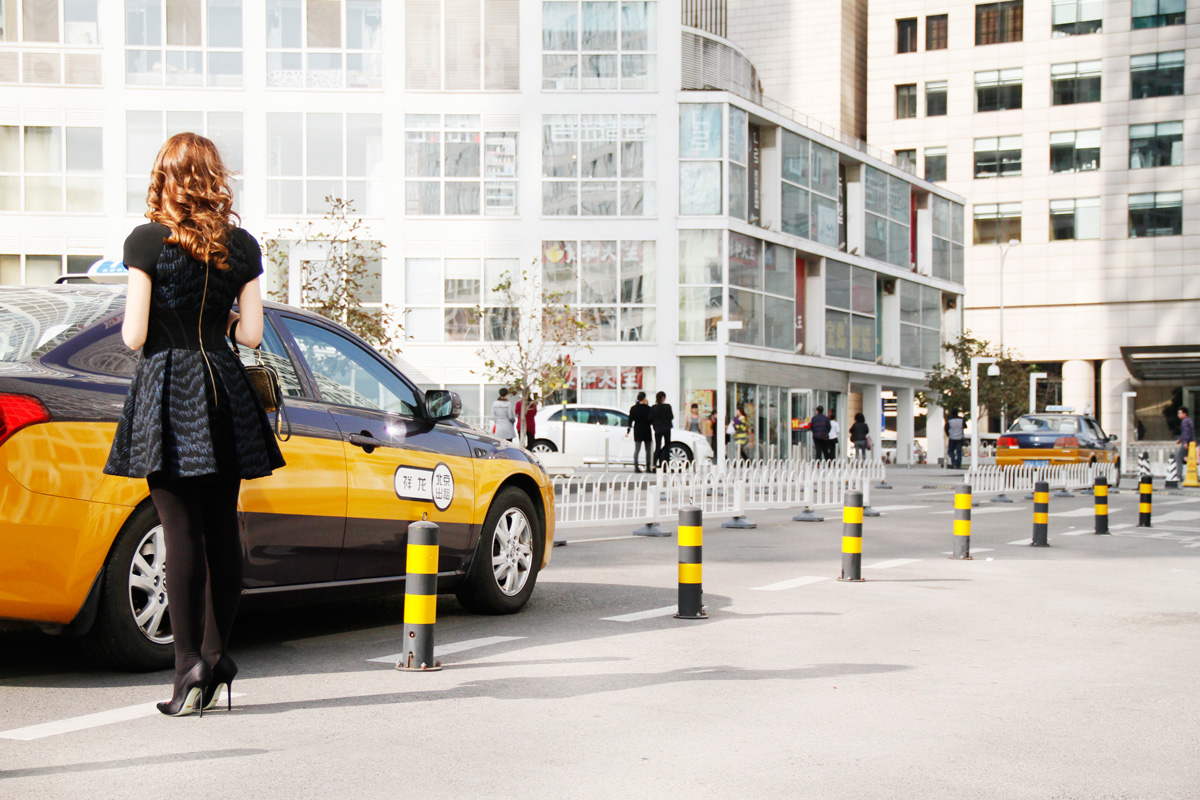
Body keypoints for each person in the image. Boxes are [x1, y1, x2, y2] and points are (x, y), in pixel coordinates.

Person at [103, 132, 285, 717]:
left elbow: (133, 336)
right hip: (224, 388)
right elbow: (252, 335)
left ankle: (187, 672)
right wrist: (222, 322)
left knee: (179, 531)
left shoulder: (146, 242)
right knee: (220, 527)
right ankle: (217, 655)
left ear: (165, 176)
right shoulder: (243, 246)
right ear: (213, 179)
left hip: (168, 387)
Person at [626, 391, 652, 473]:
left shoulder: (633, 408)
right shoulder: (648, 408)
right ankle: (648, 467)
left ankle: (636, 467)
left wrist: (628, 430)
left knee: (637, 449)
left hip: (637, 429)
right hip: (647, 429)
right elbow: (650, 420)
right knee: (648, 450)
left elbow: (630, 420)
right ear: (644, 398)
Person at [649, 391, 674, 470]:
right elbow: (671, 417)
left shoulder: (653, 407)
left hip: (657, 429)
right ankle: (665, 464)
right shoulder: (668, 406)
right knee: (667, 447)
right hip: (667, 429)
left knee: (657, 447)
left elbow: (650, 418)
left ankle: (654, 464)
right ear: (663, 398)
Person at [1177, 407, 1195, 480]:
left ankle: (1179, 476)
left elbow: (1186, 433)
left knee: (1178, 457)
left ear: (1185, 413)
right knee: (1190, 459)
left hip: (1188, 443)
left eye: (1179, 413)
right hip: (1192, 443)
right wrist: (1181, 439)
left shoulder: (1185, 421)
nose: (1178, 415)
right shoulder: (1189, 420)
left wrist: (1185, 442)